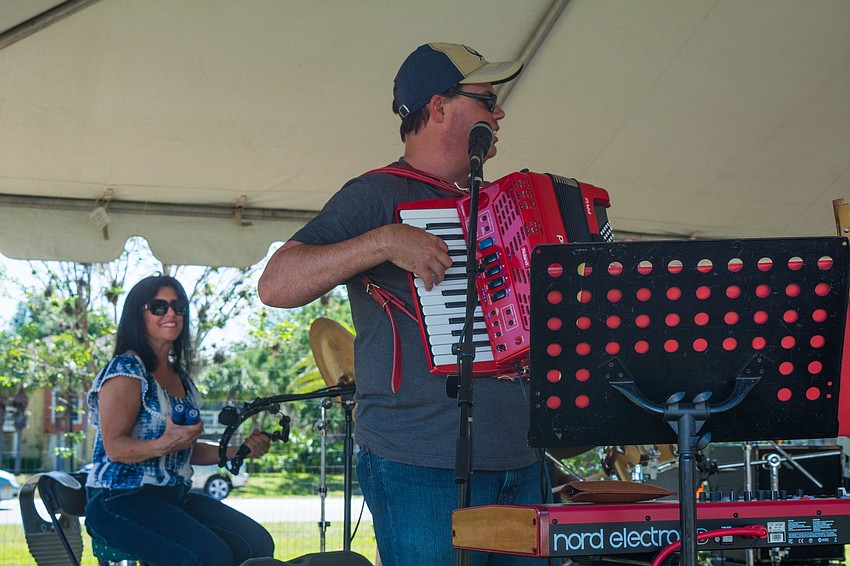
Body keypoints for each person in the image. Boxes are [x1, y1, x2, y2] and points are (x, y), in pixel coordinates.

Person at [258, 43, 551, 565]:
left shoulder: (501, 203)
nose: (499, 112)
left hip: (522, 456)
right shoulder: (376, 194)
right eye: (486, 99)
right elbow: (276, 284)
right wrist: (383, 242)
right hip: (420, 461)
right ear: (438, 107)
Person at [85, 275, 275, 566]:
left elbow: (186, 449)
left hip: (174, 496)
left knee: (257, 543)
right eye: (158, 307)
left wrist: (240, 451)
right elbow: (115, 448)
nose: (171, 313)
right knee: (210, 557)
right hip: (119, 500)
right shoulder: (127, 369)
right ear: (138, 314)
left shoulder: (180, 378)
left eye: (178, 306)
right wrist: (165, 443)